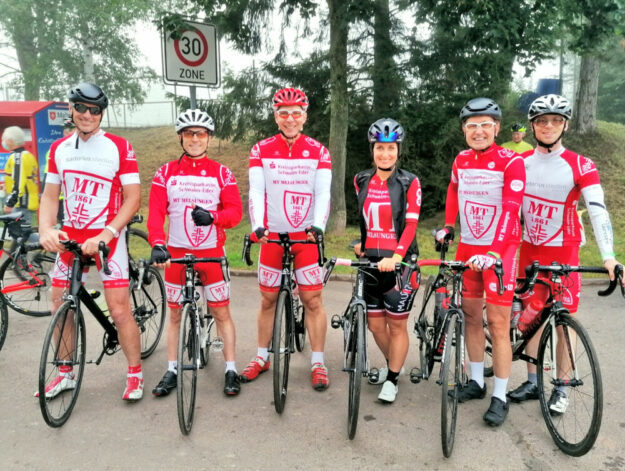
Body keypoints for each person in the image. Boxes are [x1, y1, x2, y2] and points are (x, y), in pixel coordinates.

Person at [507, 94, 623, 413]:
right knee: (531, 318)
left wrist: (608, 256)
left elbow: (598, 211)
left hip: (564, 253)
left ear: (565, 125)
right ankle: (532, 380)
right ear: (532, 126)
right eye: (542, 120)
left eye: (555, 120)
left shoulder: (580, 165)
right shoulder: (520, 164)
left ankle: (562, 386)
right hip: (529, 250)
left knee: (563, 320)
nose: (548, 126)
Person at [38, 82, 143, 401]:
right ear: (70, 108)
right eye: (80, 107)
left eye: (94, 110)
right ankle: (65, 373)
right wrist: (46, 229)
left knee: (118, 308)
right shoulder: (59, 150)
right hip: (71, 235)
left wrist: (107, 233)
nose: (86, 114)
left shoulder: (119, 147)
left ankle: (135, 374)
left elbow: (133, 198)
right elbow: (50, 196)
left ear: (101, 113)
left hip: (107, 237)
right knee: (60, 301)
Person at [436, 97, 526, 426]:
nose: (478, 131)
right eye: (472, 126)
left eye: (485, 124)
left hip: (499, 250)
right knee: (472, 317)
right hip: (468, 247)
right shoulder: (461, 159)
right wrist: (448, 225)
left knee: (499, 325)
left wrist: (492, 253)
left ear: (497, 128)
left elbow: (510, 208)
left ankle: (500, 395)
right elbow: (453, 190)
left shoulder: (510, 161)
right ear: (464, 130)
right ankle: (476, 381)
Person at [241, 87, 332, 390]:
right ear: (275, 117)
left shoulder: (318, 151)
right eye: (284, 113)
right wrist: (257, 226)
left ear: (305, 117)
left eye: (296, 113)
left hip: (305, 236)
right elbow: (256, 191)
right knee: (267, 299)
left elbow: (322, 194)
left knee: (312, 299)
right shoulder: (261, 149)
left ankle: (318, 362)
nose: (290, 119)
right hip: (272, 237)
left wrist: (318, 226)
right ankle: (261, 356)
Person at [147, 109, 243, 397]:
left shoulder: (221, 173)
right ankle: (173, 368)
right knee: (175, 315)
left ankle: (231, 369)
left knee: (221, 312)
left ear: (209, 138)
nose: (195, 139)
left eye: (200, 133)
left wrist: (214, 217)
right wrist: (157, 242)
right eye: (189, 133)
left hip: (211, 252)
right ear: (181, 137)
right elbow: (155, 213)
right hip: (176, 252)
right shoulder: (166, 172)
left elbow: (235, 212)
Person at [352, 118, 421, 403]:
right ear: (373, 149)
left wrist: (397, 256)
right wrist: (362, 244)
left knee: (396, 326)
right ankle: (396, 364)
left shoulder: (409, 181)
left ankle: (392, 379)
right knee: (375, 326)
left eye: (390, 148)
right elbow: (367, 220)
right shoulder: (361, 180)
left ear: (398, 150)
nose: (385, 154)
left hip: (399, 264)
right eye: (380, 148)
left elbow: (411, 225)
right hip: (371, 262)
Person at [2, 126, 39, 224]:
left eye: (4, 139)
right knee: (19, 232)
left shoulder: (18, 157)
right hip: (25, 200)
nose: (3, 141)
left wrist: (10, 203)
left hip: (21, 202)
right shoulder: (27, 155)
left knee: (20, 232)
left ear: (10, 140)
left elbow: (18, 182)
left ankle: (48, 239)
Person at [43, 118, 75, 224]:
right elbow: (48, 176)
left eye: (70, 129)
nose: (66, 131)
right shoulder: (56, 148)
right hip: (62, 197)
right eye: (64, 129)